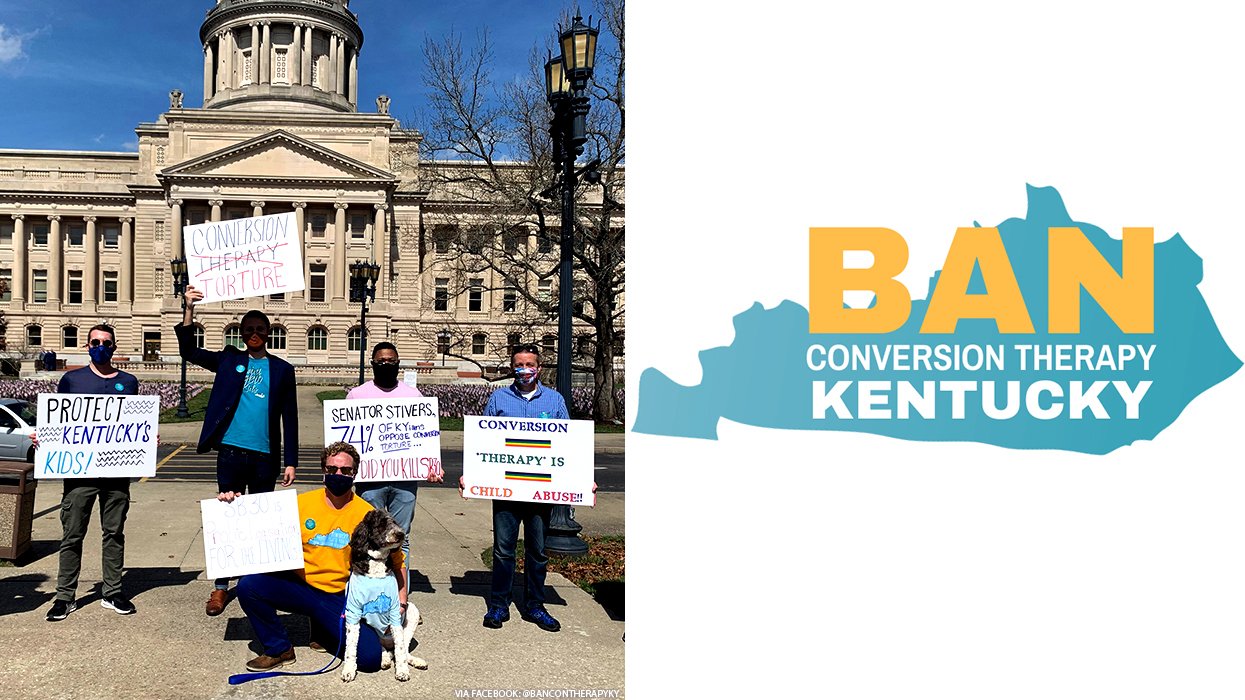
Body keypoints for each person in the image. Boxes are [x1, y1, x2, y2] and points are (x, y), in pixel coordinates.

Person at [175, 286, 298, 616]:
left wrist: (291, 462)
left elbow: (291, 417)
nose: (255, 333)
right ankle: (220, 588)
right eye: (249, 329)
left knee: (260, 527)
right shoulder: (230, 359)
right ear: (241, 333)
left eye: (260, 329)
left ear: (268, 333)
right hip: (231, 451)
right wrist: (189, 308)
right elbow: (189, 350)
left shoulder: (283, 370)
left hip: (264, 457)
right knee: (227, 522)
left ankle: (256, 585)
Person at [233, 442, 406, 672]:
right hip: (301, 587)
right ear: (323, 470)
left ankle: (323, 628)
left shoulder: (368, 515)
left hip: (340, 595)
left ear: (355, 473)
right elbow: (256, 527)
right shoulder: (299, 504)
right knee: (248, 586)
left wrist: (401, 602)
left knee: (370, 660)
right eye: (331, 469)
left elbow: (397, 561)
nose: (338, 474)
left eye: (345, 470)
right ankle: (279, 648)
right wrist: (231, 505)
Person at [461, 343, 568, 633]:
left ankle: (535, 605)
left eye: (529, 365)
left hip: (539, 492)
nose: (524, 370)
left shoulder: (555, 401)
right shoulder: (499, 398)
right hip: (506, 491)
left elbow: (568, 448)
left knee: (537, 551)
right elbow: (483, 442)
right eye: (519, 365)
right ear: (512, 368)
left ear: (539, 368)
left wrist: (582, 479)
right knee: (503, 550)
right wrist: (471, 474)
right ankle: (499, 604)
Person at [45, 324, 140, 621]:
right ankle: (65, 596)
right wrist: (45, 437)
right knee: (72, 535)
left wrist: (146, 438)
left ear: (114, 346)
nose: (101, 346)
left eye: (107, 342)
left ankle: (112, 592)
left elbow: (135, 422)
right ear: (87, 346)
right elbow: (59, 422)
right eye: (96, 342)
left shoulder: (129, 381)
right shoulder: (72, 380)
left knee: (114, 533)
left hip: (116, 474)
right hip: (79, 475)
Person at [347, 342, 444, 566]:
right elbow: (347, 439)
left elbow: (425, 435)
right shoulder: (357, 395)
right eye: (381, 361)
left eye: (390, 361)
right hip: (370, 481)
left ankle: (400, 593)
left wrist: (432, 465)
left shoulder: (413, 395)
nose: (386, 364)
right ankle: (370, 583)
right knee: (370, 535)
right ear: (372, 363)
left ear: (398, 363)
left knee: (402, 537)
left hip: (404, 480)